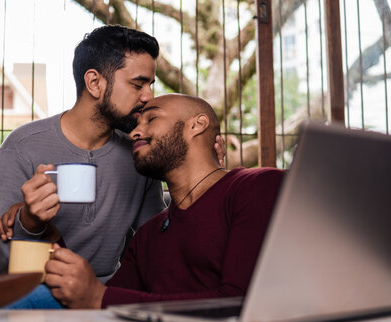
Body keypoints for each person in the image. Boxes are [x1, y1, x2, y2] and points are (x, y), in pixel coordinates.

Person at [0, 25, 226, 285]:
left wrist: (206, 181)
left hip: (108, 296)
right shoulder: (22, 148)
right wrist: (28, 223)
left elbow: (160, 246)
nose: (148, 96)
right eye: (138, 84)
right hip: (35, 289)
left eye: (150, 85)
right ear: (94, 83)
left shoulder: (140, 154)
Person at [25, 94, 284, 309]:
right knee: (35, 295)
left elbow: (242, 302)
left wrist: (98, 297)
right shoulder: (148, 235)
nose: (135, 132)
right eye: (137, 123)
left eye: (151, 118)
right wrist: (40, 224)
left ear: (197, 124)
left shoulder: (257, 187)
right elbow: (105, 307)